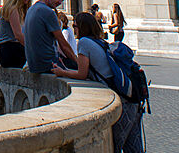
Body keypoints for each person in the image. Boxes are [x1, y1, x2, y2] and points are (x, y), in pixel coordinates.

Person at [52, 12, 143, 153]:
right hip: (132, 98)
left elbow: (82, 74)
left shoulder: (83, 42)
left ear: (81, 27)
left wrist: (62, 72)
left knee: (115, 146)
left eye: (75, 25)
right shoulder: (100, 42)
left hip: (122, 102)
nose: (74, 28)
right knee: (134, 148)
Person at [23, 0, 77, 73]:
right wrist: (78, 62)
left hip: (34, 65)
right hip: (49, 65)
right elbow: (63, 45)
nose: (60, 2)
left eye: (62, 0)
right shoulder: (48, 12)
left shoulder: (31, 9)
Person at [0, 0, 33, 68]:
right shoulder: (13, 9)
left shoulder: (13, 9)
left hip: (7, 50)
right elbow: (18, 35)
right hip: (12, 50)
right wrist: (33, 49)